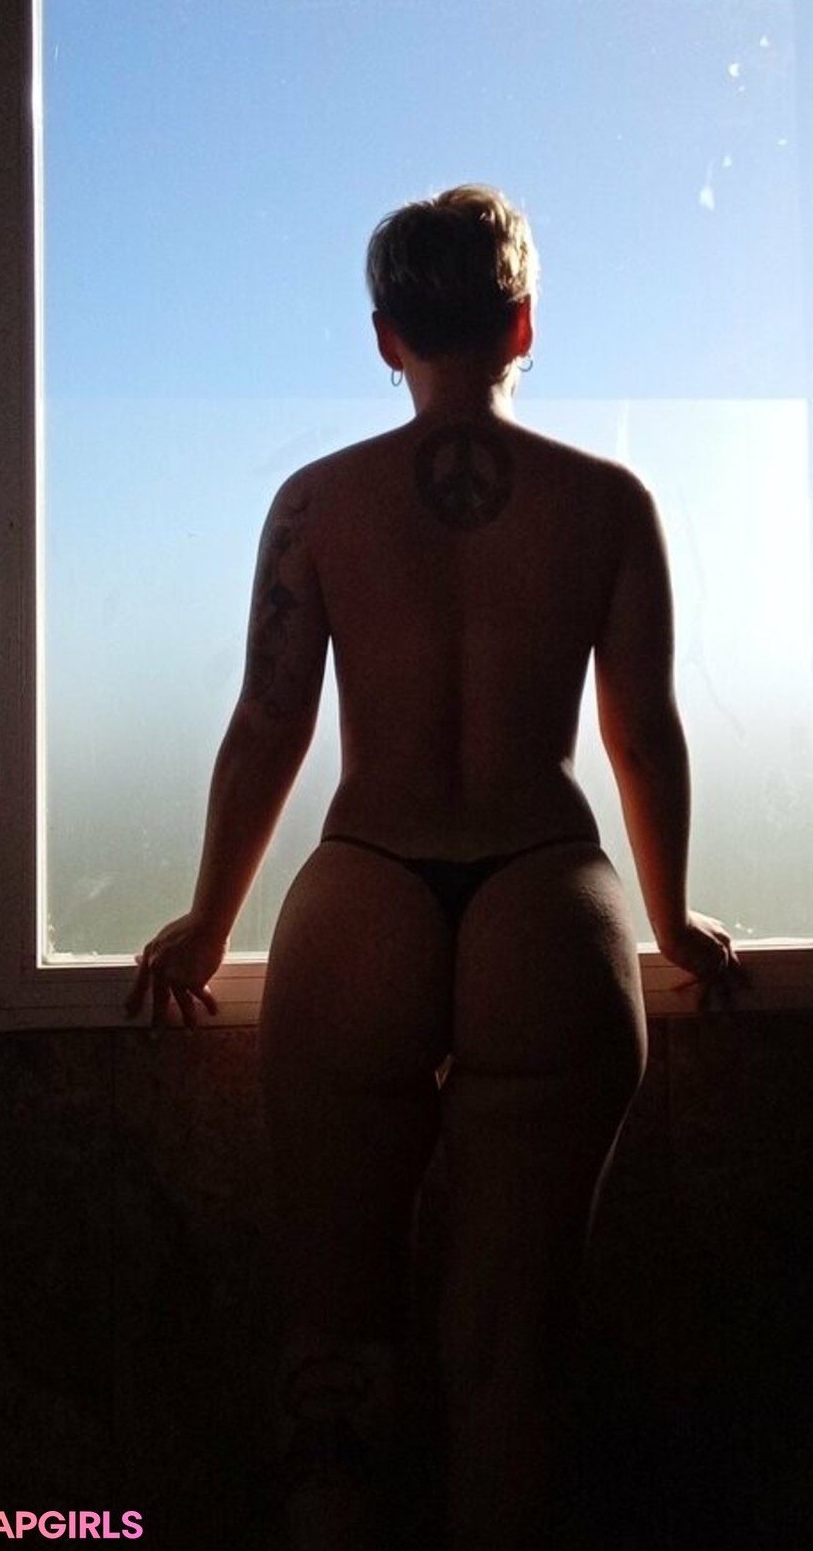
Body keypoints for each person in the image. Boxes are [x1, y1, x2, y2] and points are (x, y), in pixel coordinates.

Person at [125, 184, 744, 1550]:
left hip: (366, 896)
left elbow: (268, 722)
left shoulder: (315, 505)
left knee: (336, 1353)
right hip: (545, 902)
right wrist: (675, 919)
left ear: (385, 337)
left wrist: (207, 921)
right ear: (525, 324)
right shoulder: (611, 505)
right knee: (508, 1369)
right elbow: (643, 735)